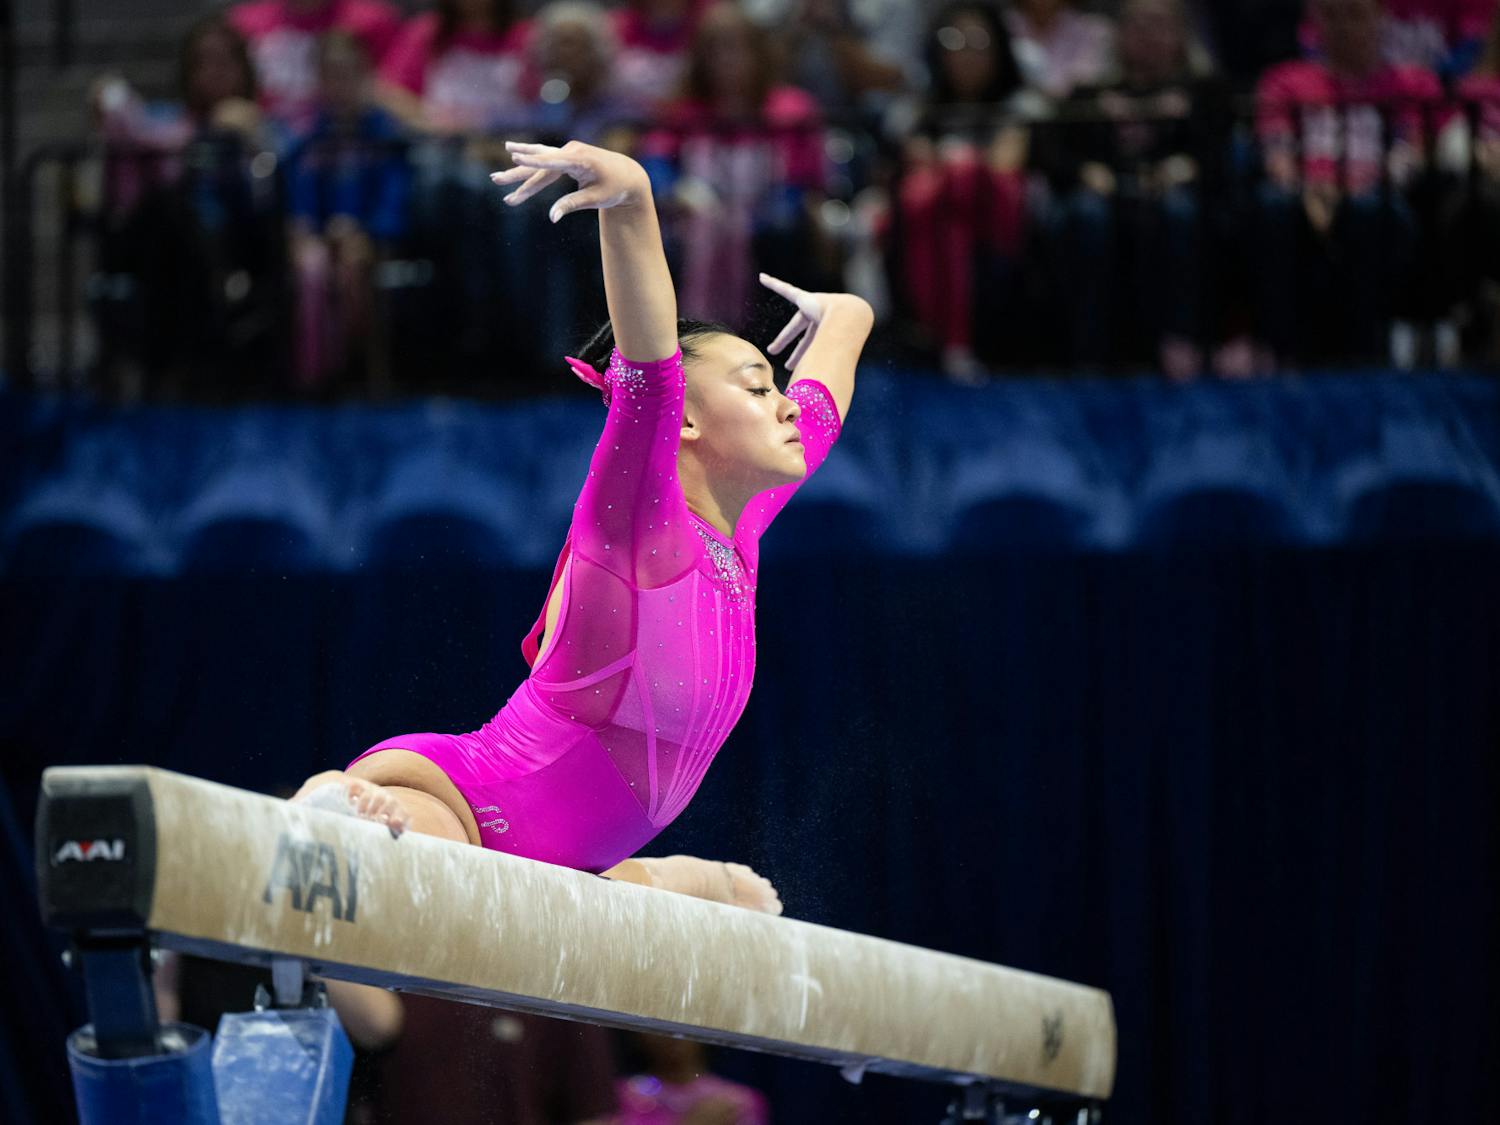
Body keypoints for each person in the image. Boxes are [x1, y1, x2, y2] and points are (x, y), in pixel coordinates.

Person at [293, 137, 873, 911]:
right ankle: (327, 806)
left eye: (778, 389)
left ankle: (679, 877)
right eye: (758, 386)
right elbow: (651, 379)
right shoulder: (643, 525)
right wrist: (631, 200)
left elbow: (824, 399)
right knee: (408, 871)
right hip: (462, 806)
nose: (784, 404)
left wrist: (850, 311)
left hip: (566, 862)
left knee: (584, 899)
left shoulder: (743, 524)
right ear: (689, 424)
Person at [1035, 0, 1229, 378]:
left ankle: (1181, 342)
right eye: (1137, 26)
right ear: (1119, 35)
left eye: (1159, 26)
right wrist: (1088, 172)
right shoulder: (1091, 93)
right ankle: (1088, 348)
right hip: (1107, 200)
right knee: (1087, 215)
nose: (1148, 36)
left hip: (1179, 200)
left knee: (1180, 210)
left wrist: (1184, 168)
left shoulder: (1205, 91)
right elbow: (1053, 154)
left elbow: (1220, 156)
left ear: (1181, 35)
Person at [1254, 0, 1446, 365]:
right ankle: (1281, 354)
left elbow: (1414, 154)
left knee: (1367, 210)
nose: (1344, 25)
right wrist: (1308, 188)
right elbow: (1275, 152)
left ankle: (1366, 352)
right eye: (1332, 14)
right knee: (1273, 206)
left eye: (1355, 13)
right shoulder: (1285, 80)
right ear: (1316, 21)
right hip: (1305, 195)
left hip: (1379, 197)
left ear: (1379, 18)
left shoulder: (1413, 83)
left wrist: (1355, 188)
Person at [642, 3, 833, 327]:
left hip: (766, 216)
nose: (726, 60)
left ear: (759, 53)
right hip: (692, 219)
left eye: (736, 48)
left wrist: (754, 218)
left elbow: (803, 180)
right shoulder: (682, 112)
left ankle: (763, 341)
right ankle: (692, 333)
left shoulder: (790, 110)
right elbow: (656, 164)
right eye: (715, 50)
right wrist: (677, 190)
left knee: (779, 235)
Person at [887, 0, 1032, 381]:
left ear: (998, 48)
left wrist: (955, 165)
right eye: (954, 41)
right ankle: (948, 336)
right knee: (929, 202)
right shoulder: (921, 109)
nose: (966, 53)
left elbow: (1006, 163)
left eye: (977, 42)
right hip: (940, 219)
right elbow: (914, 158)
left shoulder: (1016, 106)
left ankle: (949, 335)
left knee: (960, 177)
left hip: (996, 219)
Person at [284, 29, 412, 392]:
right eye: (331, 75)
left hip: (371, 236)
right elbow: (300, 191)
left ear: (365, 76)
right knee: (311, 267)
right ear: (319, 80)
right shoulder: (308, 136)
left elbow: (394, 194)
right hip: (320, 235)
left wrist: (368, 231)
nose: (340, 85)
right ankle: (314, 374)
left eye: (348, 74)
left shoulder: (384, 134)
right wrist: (304, 228)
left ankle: (356, 368)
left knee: (351, 269)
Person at [228, 0, 404, 133]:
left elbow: (394, 94)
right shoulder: (244, 23)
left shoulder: (372, 21)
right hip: (268, 143)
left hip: (346, 141)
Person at [613, 1032, 769, 1125]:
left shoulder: (738, 1101)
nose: (671, 1036)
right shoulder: (622, 1096)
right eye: (658, 1023)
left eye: (681, 1023)